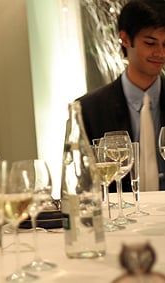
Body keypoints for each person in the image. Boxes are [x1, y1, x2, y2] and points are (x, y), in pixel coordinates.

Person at [77, 0, 165, 192]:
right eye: (150, 43)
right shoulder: (89, 110)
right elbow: (84, 186)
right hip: (118, 218)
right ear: (125, 39)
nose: (160, 53)